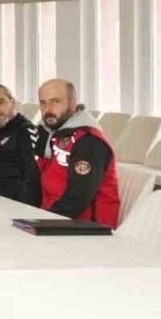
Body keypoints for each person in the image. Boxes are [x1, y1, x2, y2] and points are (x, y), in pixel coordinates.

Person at [34, 78, 120, 227]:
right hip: (53, 217)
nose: (48, 109)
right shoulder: (50, 134)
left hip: (87, 229)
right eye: (43, 103)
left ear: (72, 103)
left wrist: (40, 222)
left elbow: (77, 198)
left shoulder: (89, 142)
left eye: (55, 101)